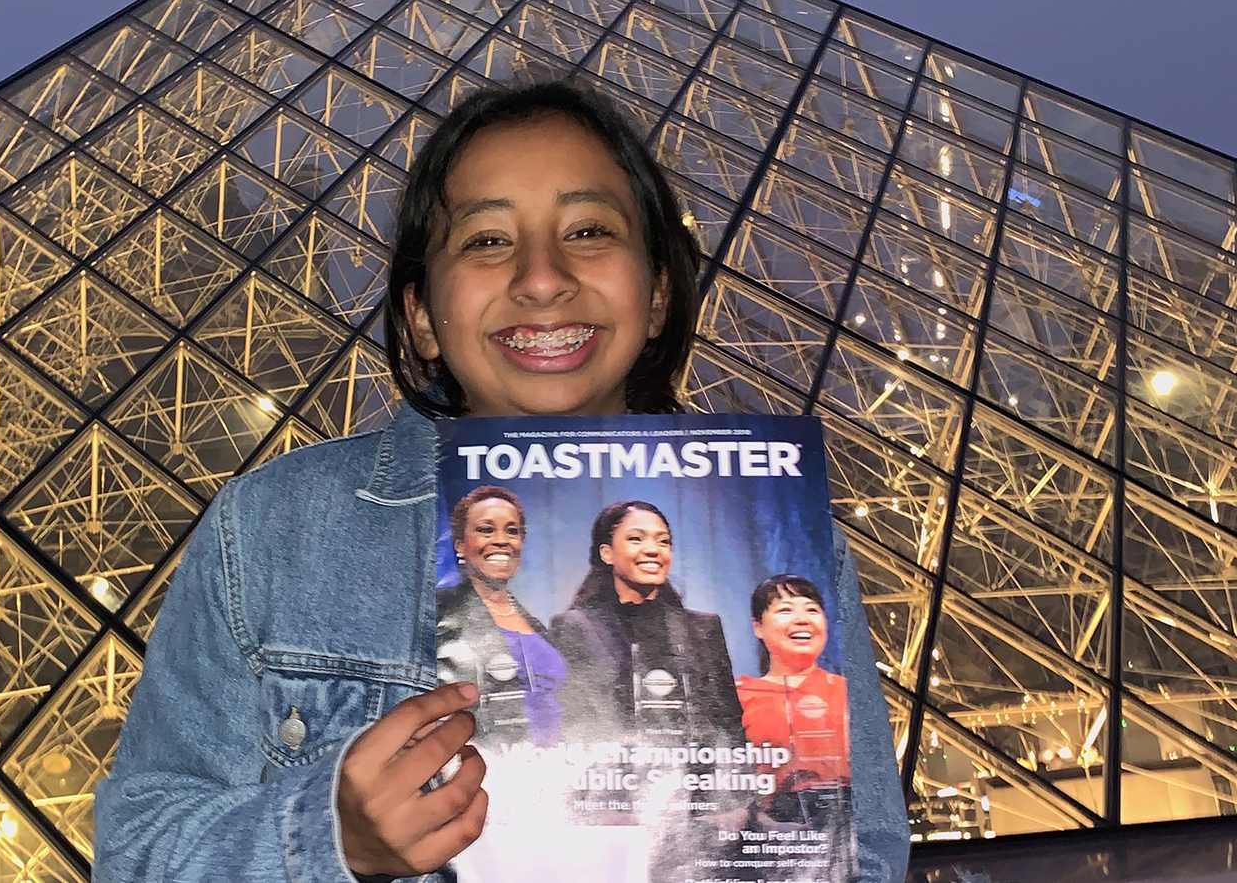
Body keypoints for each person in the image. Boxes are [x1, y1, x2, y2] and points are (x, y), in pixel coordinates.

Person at [92, 80, 910, 883]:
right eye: (487, 241)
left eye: (588, 230)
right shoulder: (271, 529)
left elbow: (865, 853)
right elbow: (135, 853)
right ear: (422, 315)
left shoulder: (792, 553)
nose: (542, 277)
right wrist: (328, 837)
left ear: (659, 293)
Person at [550, 500, 743, 748]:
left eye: (663, 541)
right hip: (613, 768)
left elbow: (729, 726)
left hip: (695, 768)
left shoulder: (704, 629)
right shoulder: (574, 629)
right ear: (606, 553)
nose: (653, 550)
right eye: (636, 539)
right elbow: (573, 724)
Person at [436, 485, 566, 746]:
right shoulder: (440, 613)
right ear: (460, 545)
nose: (501, 540)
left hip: (560, 762)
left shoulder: (535, 624)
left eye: (512, 531)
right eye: (486, 530)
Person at [737, 574, 852, 792]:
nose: (802, 620)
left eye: (812, 610)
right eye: (785, 610)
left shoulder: (850, 692)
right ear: (757, 626)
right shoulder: (736, 698)